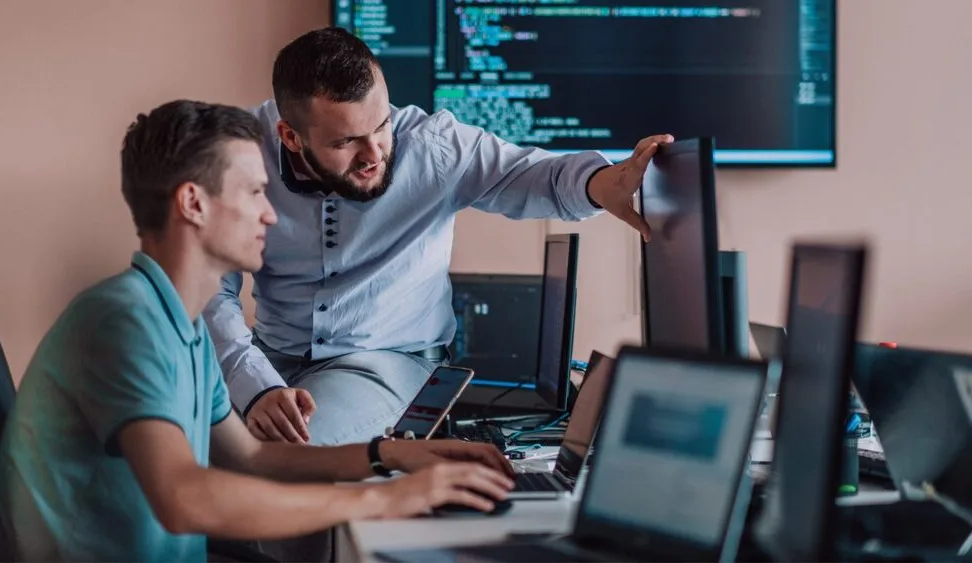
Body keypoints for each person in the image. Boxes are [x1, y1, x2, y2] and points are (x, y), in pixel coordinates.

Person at [0, 100, 514, 563]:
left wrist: (390, 456)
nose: (270, 215)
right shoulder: (123, 321)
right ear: (193, 203)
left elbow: (251, 456)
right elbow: (184, 498)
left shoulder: (182, 326)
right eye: (254, 192)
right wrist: (388, 497)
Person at [204, 26, 673, 446]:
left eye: (381, 125)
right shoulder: (240, 155)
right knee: (174, 444)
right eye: (346, 142)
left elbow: (540, 178)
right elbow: (209, 289)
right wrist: (256, 384)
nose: (374, 155)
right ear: (290, 136)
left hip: (387, 361)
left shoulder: (434, 146)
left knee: (291, 450)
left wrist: (608, 184)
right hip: (268, 357)